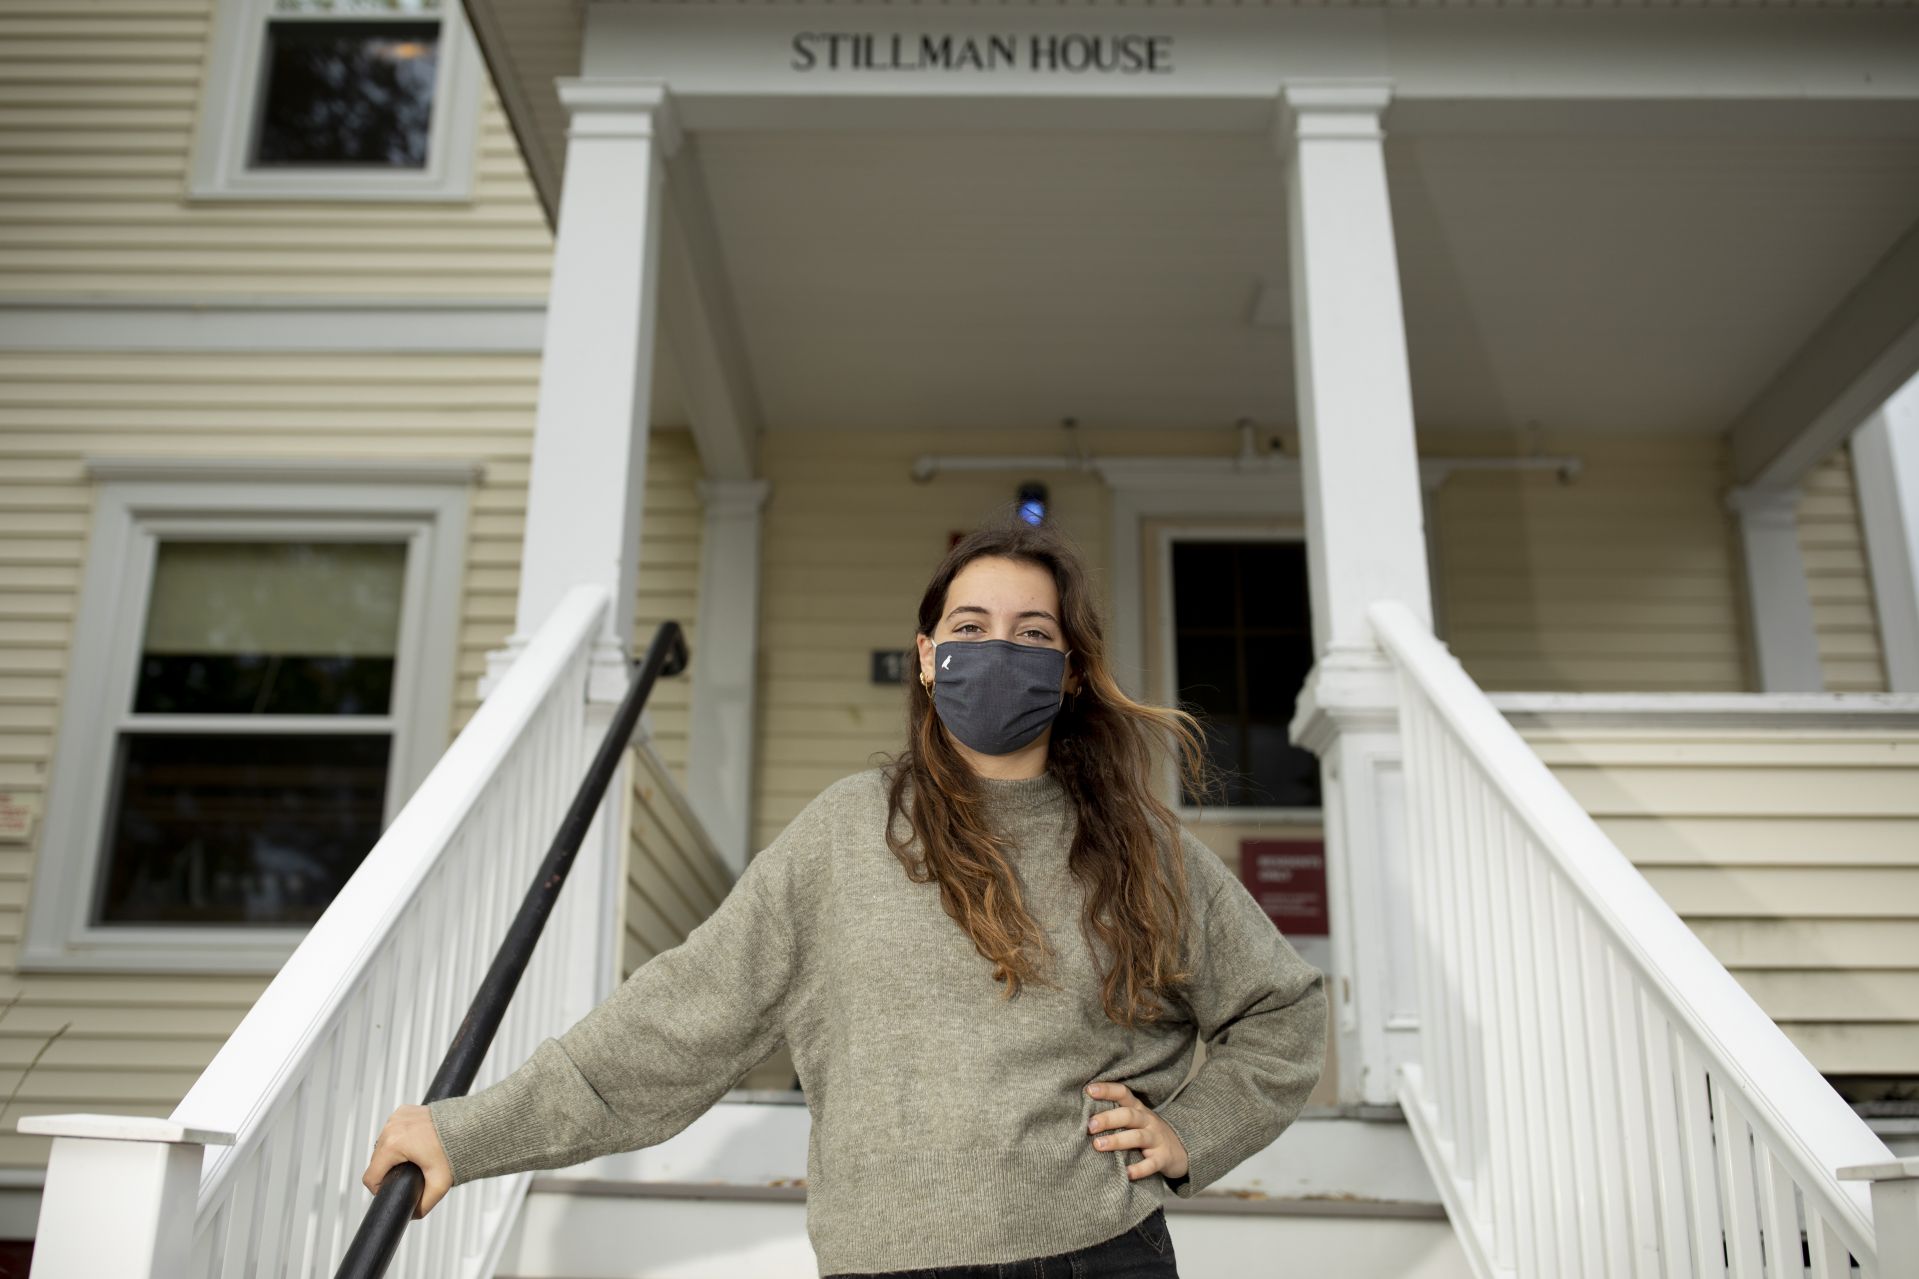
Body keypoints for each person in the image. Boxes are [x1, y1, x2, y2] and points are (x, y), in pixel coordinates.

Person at [361, 509, 1329, 1277]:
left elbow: (1280, 1011)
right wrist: (466, 1131)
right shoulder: (845, 832)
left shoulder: (1139, 847)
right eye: (969, 627)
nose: (999, 650)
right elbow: (676, 1023)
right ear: (923, 656)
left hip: (1094, 1255)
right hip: (886, 1261)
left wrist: (1188, 1131)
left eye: (1032, 634)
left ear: (1068, 672)